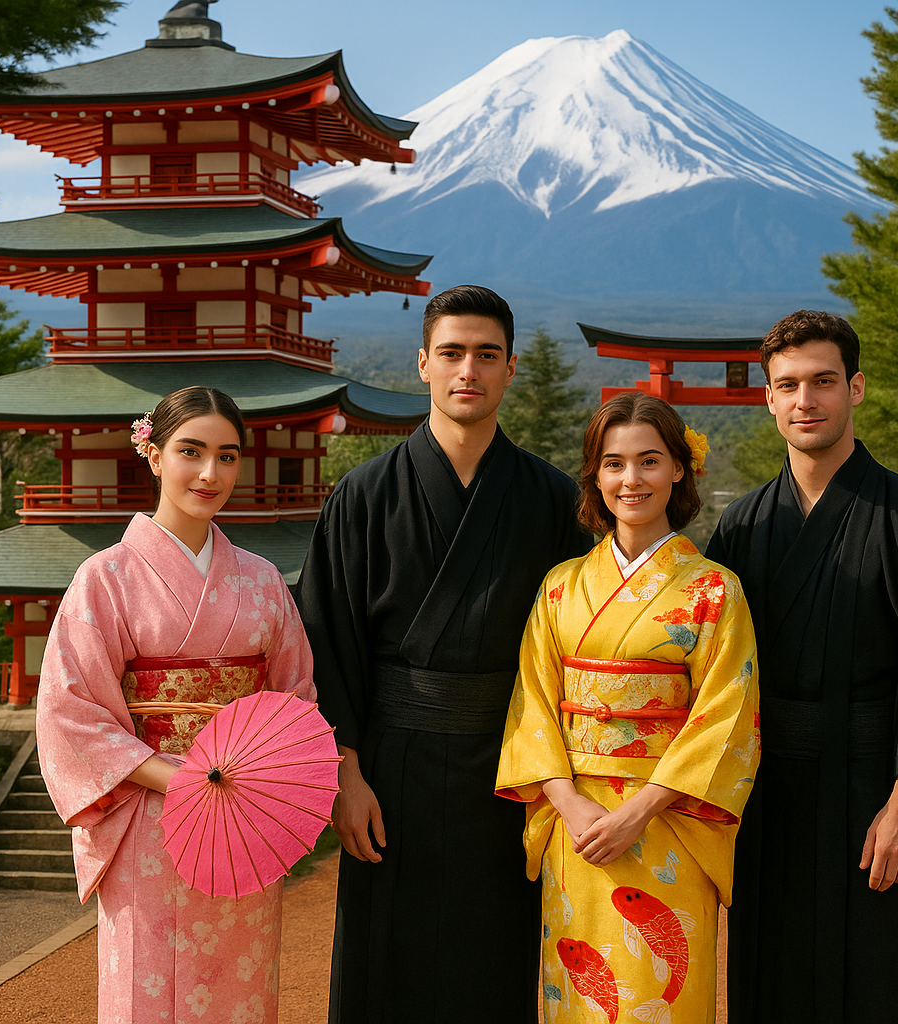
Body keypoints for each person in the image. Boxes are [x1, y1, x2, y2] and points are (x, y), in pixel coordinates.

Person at [295, 284, 591, 1023]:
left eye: (486, 355)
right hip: (391, 769)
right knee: (384, 963)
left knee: (493, 964)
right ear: (423, 363)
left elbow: (576, 650)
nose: (469, 370)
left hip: (510, 769)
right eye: (452, 353)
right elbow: (326, 640)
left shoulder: (553, 501)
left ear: (510, 369)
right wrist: (345, 772)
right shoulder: (363, 497)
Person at [706, 310, 898, 1024]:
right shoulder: (741, 527)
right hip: (767, 798)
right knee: (767, 980)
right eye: (789, 385)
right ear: (769, 400)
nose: (806, 400)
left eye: (823, 382)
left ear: (856, 389)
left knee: (879, 983)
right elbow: (711, 674)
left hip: (875, 791)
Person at [36, 386, 316, 1024]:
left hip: (243, 817)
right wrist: (182, 777)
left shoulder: (263, 579)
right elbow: (70, 709)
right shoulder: (105, 577)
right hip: (149, 817)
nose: (210, 473)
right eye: (191, 452)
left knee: (241, 992)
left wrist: (256, 778)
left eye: (227, 455)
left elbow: (294, 698)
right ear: (154, 455)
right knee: (148, 994)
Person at [496, 392, 760, 1023]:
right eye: (613, 464)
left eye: (649, 461)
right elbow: (532, 700)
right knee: (580, 990)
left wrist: (640, 811)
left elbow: (726, 715)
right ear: (595, 476)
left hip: (666, 819)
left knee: (658, 991)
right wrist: (568, 800)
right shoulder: (560, 585)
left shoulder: (714, 589)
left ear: (678, 470)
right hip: (576, 823)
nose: (630, 479)